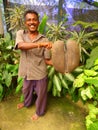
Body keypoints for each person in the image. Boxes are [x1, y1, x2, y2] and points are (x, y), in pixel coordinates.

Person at [15, 9, 52, 120]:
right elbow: (21, 46)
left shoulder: (45, 39)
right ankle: (27, 104)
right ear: (26, 23)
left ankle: (39, 112)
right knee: (26, 91)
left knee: (41, 95)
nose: (32, 22)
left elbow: (47, 59)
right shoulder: (21, 34)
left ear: (38, 22)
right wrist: (40, 45)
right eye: (29, 20)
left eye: (34, 20)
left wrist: (60, 66)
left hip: (40, 73)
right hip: (26, 72)